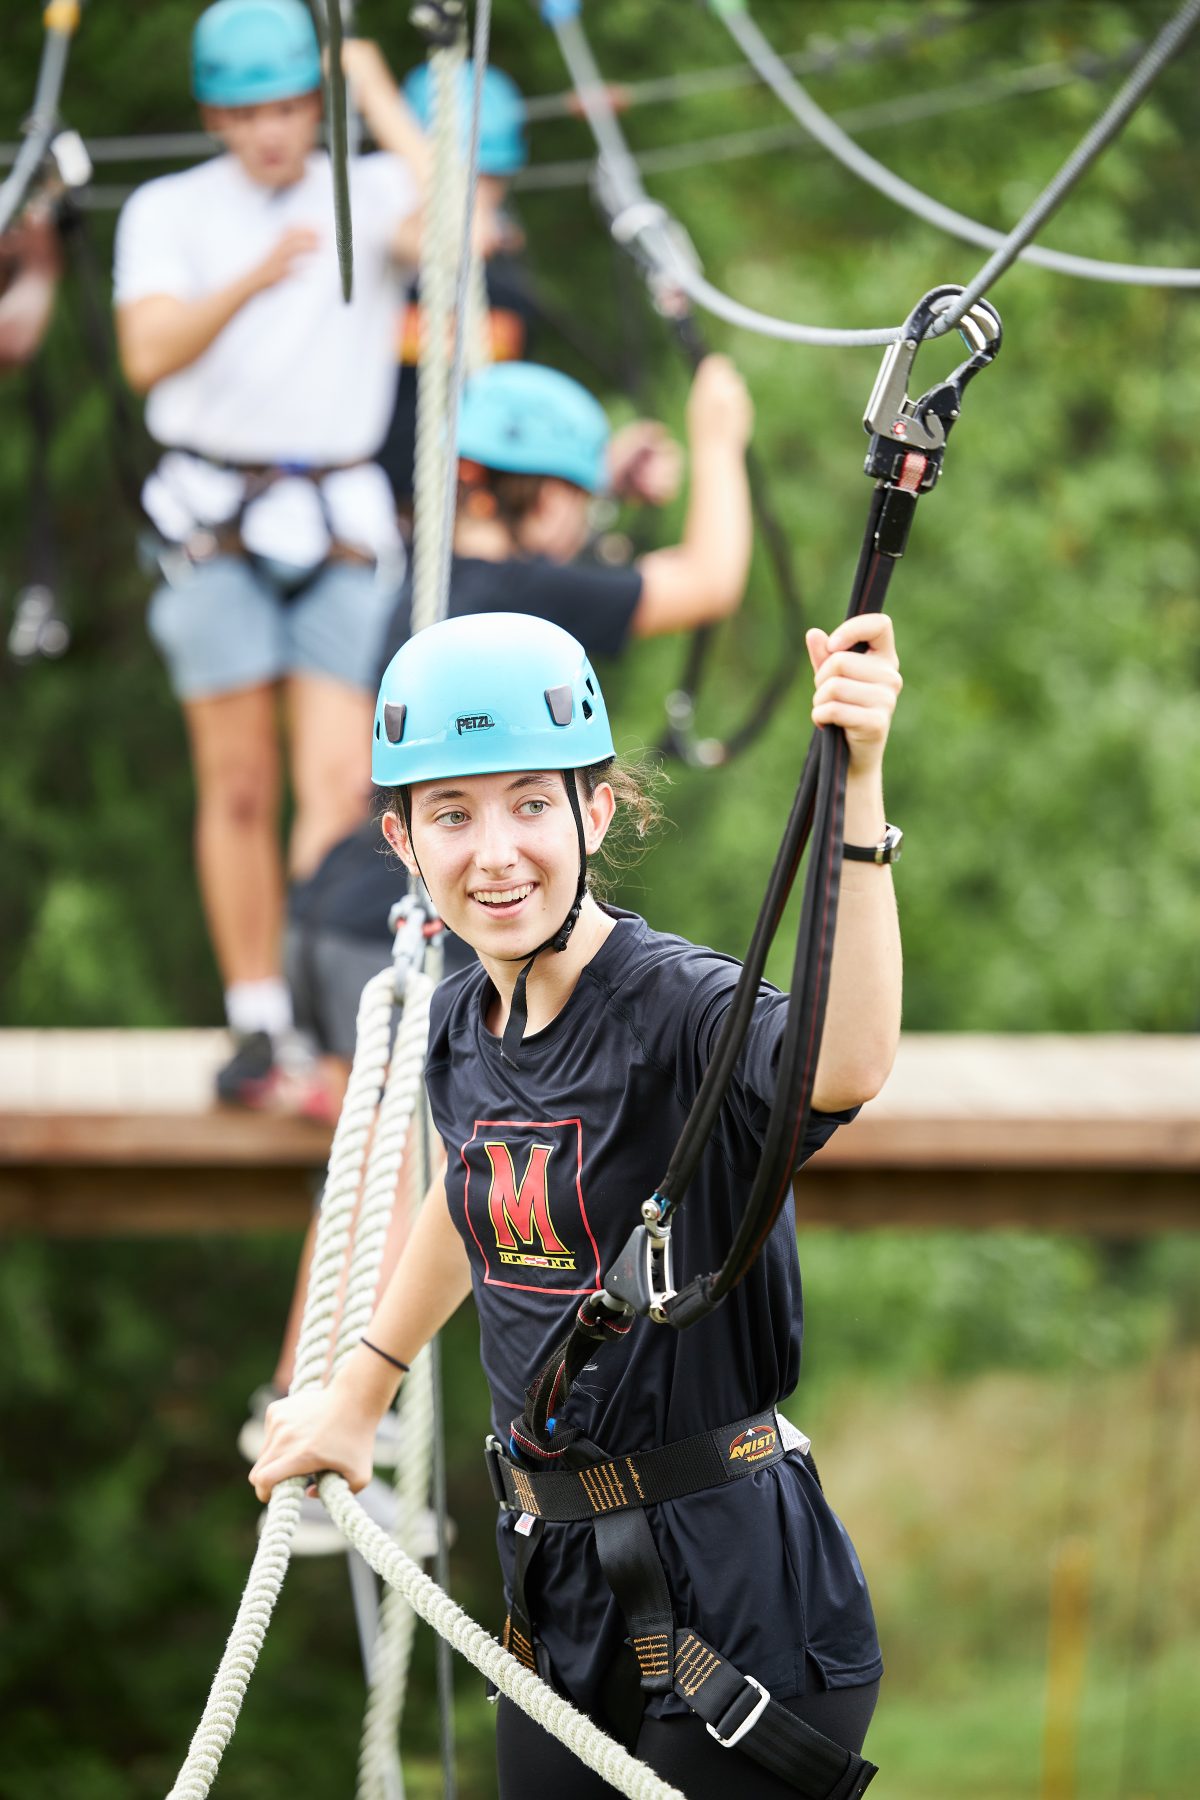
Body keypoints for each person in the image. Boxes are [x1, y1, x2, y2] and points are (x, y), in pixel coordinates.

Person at [250, 606, 904, 1795]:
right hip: (558, 1588)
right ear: (402, 840)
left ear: (595, 812)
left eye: (530, 804)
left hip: (737, 1597)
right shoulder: (463, 1022)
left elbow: (841, 1064)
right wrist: (358, 1392)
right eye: (452, 815)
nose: (494, 851)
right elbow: (475, 1194)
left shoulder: (677, 1010)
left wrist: (857, 793)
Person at [253, 351, 753, 1440]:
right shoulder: (523, 599)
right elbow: (710, 578)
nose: (585, 527)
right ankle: (329, 1397)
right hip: (377, 928)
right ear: (536, 497)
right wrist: (717, 439)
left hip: (328, 917)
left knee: (372, 1169)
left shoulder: (442, 590)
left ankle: (305, 1387)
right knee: (413, 1167)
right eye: (575, 502)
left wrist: (610, 475)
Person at [112, 0, 429, 1109]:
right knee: (238, 781)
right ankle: (256, 1017)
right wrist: (255, 277)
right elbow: (147, 350)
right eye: (252, 114)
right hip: (215, 514)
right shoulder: (170, 210)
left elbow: (464, 225)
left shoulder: (373, 188)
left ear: (317, 105)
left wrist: (375, 83)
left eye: (295, 108)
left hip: (337, 517)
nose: (276, 134)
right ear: (217, 116)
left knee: (342, 787)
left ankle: (311, 1007)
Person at [378, 59, 535, 511]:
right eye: (464, 181)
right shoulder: (362, 269)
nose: (477, 202)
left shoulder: (509, 291)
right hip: (361, 514)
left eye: (490, 180)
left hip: (464, 516)